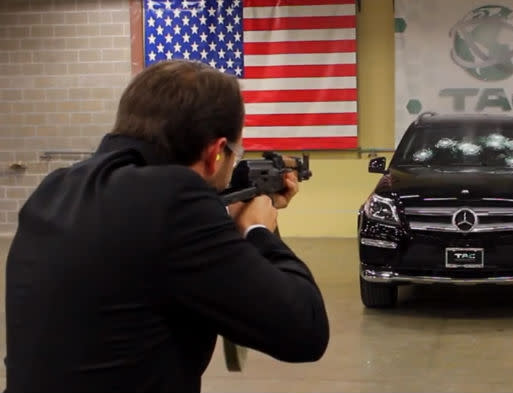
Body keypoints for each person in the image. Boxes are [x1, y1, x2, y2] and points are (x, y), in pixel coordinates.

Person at [4, 60, 329, 393]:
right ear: (215, 152)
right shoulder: (174, 200)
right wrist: (258, 230)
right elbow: (305, 331)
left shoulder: (55, 189)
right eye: (233, 154)